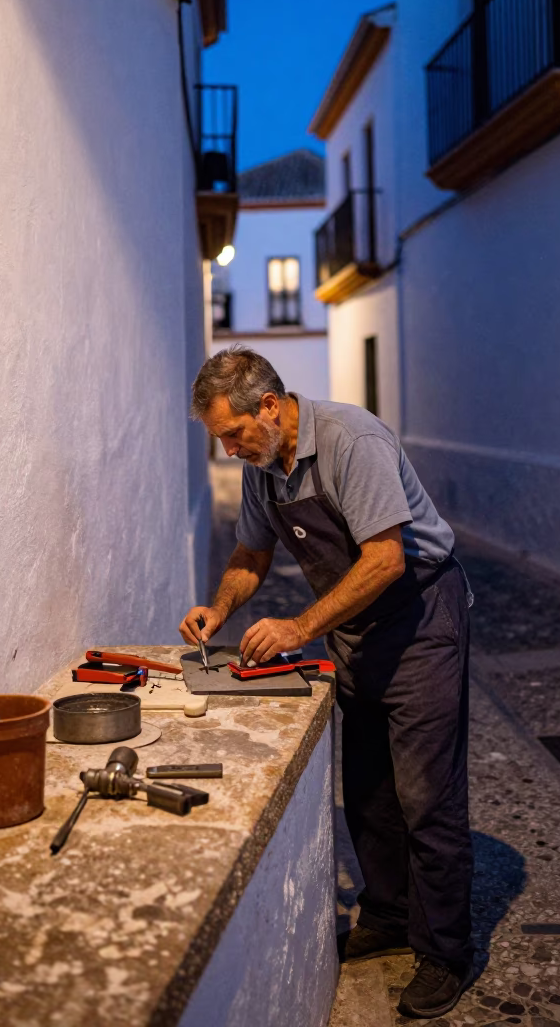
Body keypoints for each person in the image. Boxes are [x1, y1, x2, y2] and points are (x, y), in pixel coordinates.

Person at [179, 346, 474, 1018]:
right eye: (220, 439)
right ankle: (390, 916)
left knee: (427, 794)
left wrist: (298, 627)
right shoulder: (265, 465)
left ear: (272, 407)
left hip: (420, 615)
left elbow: (385, 560)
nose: (230, 450)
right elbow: (252, 552)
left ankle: (445, 951)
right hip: (357, 630)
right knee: (368, 788)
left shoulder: (351, 439)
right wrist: (218, 609)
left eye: (234, 433)